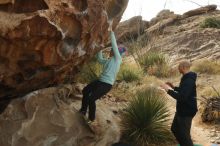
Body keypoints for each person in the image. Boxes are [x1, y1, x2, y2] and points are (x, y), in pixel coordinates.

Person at [79, 21, 126, 124]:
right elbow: (100, 60)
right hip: (100, 81)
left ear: (119, 52)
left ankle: (91, 119)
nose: (113, 50)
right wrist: (99, 49)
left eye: (116, 50)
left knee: (92, 99)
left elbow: (113, 44)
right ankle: (83, 110)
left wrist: (111, 32)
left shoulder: (118, 59)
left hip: (106, 84)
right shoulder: (110, 59)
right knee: (85, 91)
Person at [160, 60, 198, 146]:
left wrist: (168, 90)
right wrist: (173, 87)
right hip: (182, 110)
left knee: (185, 136)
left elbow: (182, 97)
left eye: (179, 67)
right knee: (175, 129)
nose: (178, 68)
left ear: (183, 67)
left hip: (186, 111)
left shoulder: (189, 80)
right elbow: (184, 91)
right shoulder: (186, 78)